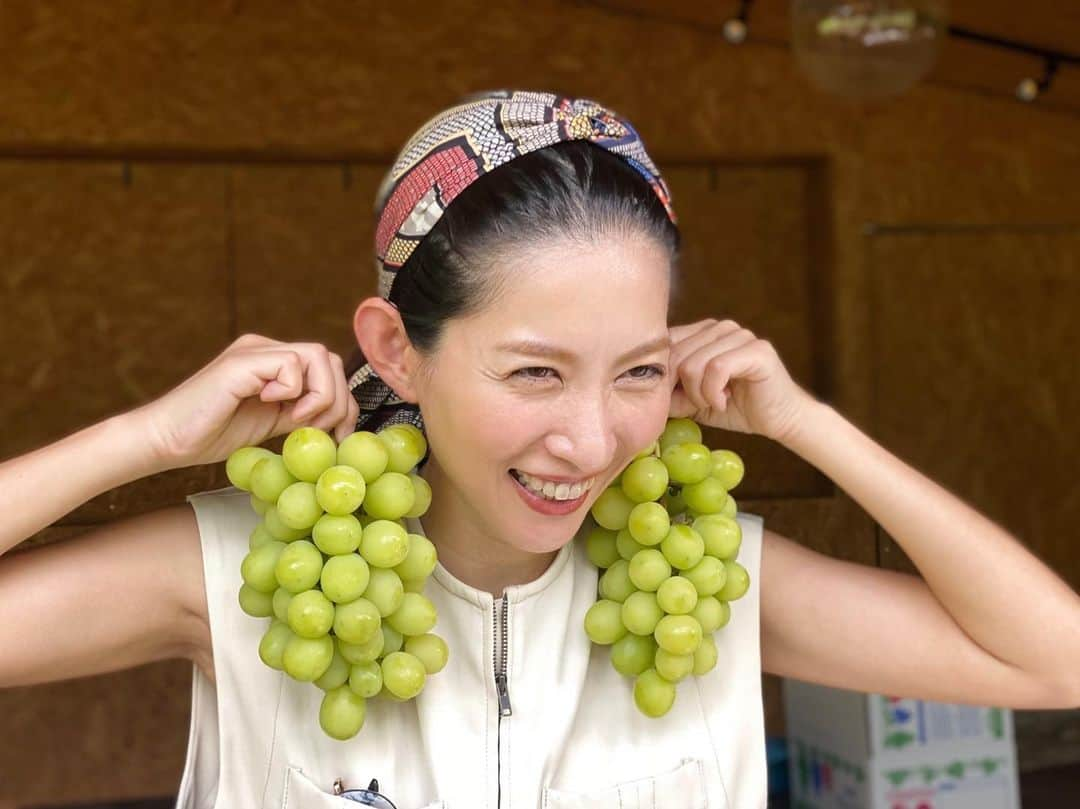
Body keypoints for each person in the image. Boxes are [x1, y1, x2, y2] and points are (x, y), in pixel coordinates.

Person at [1, 89, 1078, 809]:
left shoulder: (707, 583)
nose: (593, 436)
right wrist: (143, 437)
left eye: (641, 370)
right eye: (534, 371)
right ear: (397, 351)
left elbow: (1056, 659)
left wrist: (812, 422)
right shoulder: (243, 571)